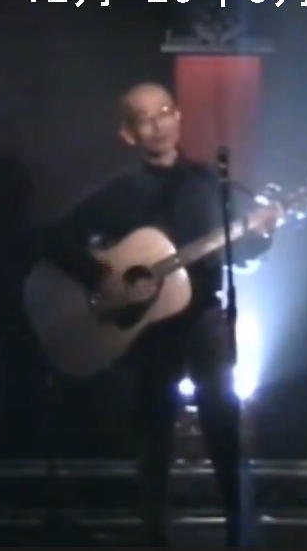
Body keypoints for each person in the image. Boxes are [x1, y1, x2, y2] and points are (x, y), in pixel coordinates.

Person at [42, 82, 281, 545]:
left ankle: (239, 530)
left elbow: (238, 254)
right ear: (128, 133)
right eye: (144, 118)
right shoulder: (118, 192)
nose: (158, 124)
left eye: (165, 111)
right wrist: (101, 277)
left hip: (206, 320)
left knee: (223, 425)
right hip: (150, 330)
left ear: (178, 117)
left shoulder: (210, 182)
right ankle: (154, 535)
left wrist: (263, 233)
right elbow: (55, 239)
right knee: (154, 436)